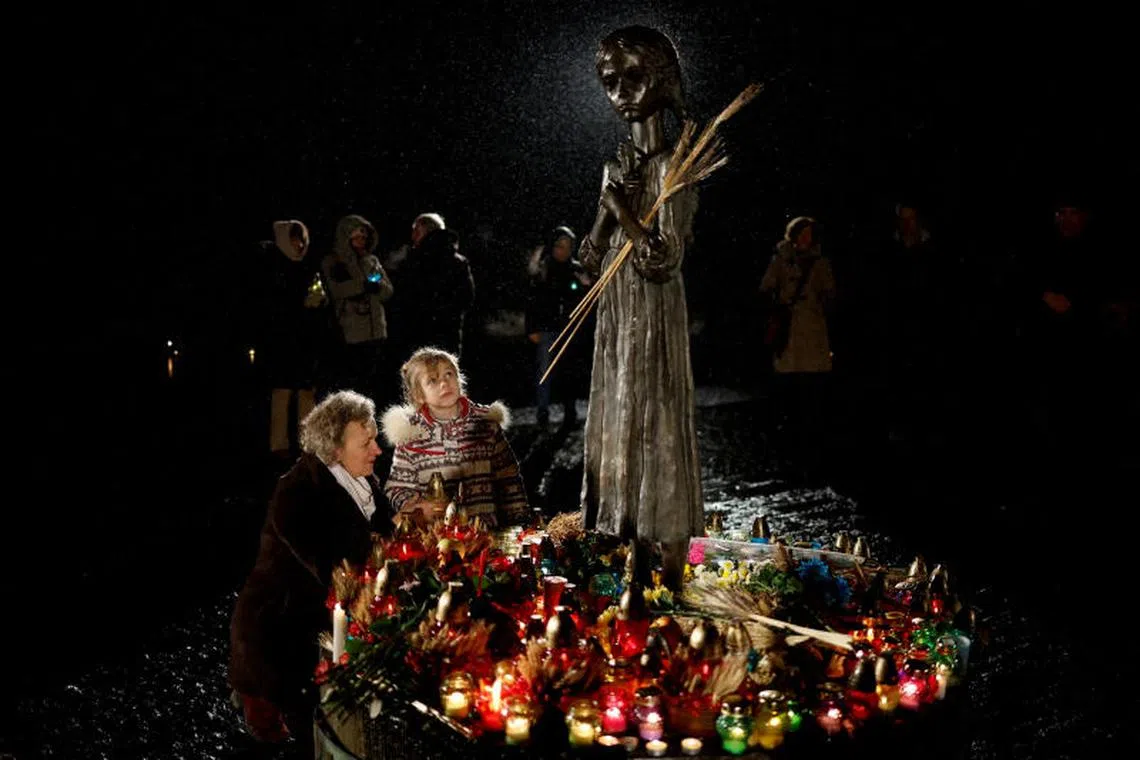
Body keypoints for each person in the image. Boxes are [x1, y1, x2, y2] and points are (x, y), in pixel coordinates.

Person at [577, 26, 703, 587]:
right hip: (616, 314)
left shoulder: (677, 164)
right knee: (620, 416)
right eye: (610, 82)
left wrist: (621, 208)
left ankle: (668, 560)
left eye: (633, 77)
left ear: (663, 78)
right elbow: (590, 256)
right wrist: (608, 207)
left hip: (652, 311)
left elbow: (661, 258)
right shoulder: (617, 164)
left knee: (656, 420)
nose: (620, 93)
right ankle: (629, 550)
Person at [229, 391, 390, 749]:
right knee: (310, 738)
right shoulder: (298, 493)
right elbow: (337, 568)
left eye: (375, 438)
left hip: (321, 629)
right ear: (334, 451)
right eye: (366, 443)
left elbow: (383, 530)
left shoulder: (360, 480)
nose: (377, 450)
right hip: (280, 638)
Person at [382, 347, 527, 528]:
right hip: (437, 536)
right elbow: (397, 488)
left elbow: (509, 477)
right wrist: (419, 506)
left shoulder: (485, 423)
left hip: (486, 532)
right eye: (433, 381)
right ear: (419, 395)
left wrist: (519, 521)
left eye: (449, 374)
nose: (444, 383)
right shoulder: (411, 434)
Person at [760, 216, 837, 480]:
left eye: (809, 234)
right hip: (790, 332)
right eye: (802, 233)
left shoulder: (820, 261)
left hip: (813, 332)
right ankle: (792, 449)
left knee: (812, 393)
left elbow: (830, 293)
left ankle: (812, 449)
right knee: (790, 392)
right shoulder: (781, 260)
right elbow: (766, 287)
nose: (806, 238)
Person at [249, 220, 331, 460]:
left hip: (305, 339)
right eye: (294, 240)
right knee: (282, 391)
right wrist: (300, 304)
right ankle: (279, 445)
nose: (299, 245)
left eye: (302, 240)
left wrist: (318, 302)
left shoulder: (308, 266)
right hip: (281, 339)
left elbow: (318, 298)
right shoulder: (271, 265)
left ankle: (307, 443)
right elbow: (271, 303)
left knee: (306, 391)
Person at [321, 214, 394, 400]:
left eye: (364, 236)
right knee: (352, 386)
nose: (361, 240)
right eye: (356, 236)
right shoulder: (333, 261)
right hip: (350, 333)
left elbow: (388, 291)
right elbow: (335, 290)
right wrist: (362, 286)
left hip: (376, 332)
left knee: (372, 385)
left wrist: (378, 287)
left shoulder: (372, 260)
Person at [525, 225, 591, 429]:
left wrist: (585, 286)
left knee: (570, 372)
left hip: (569, 329)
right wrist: (531, 329)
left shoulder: (576, 269)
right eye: (560, 246)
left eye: (568, 246)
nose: (564, 251)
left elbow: (584, 300)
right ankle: (542, 411)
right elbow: (532, 300)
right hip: (547, 328)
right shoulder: (544, 269)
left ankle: (570, 412)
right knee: (545, 371)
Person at [389, 213, 475, 358]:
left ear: (426, 232)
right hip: (448, 334)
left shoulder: (414, 260)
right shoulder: (458, 262)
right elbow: (466, 298)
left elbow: (403, 297)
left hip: (416, 334)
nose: (412, 236)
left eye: (416, 231)